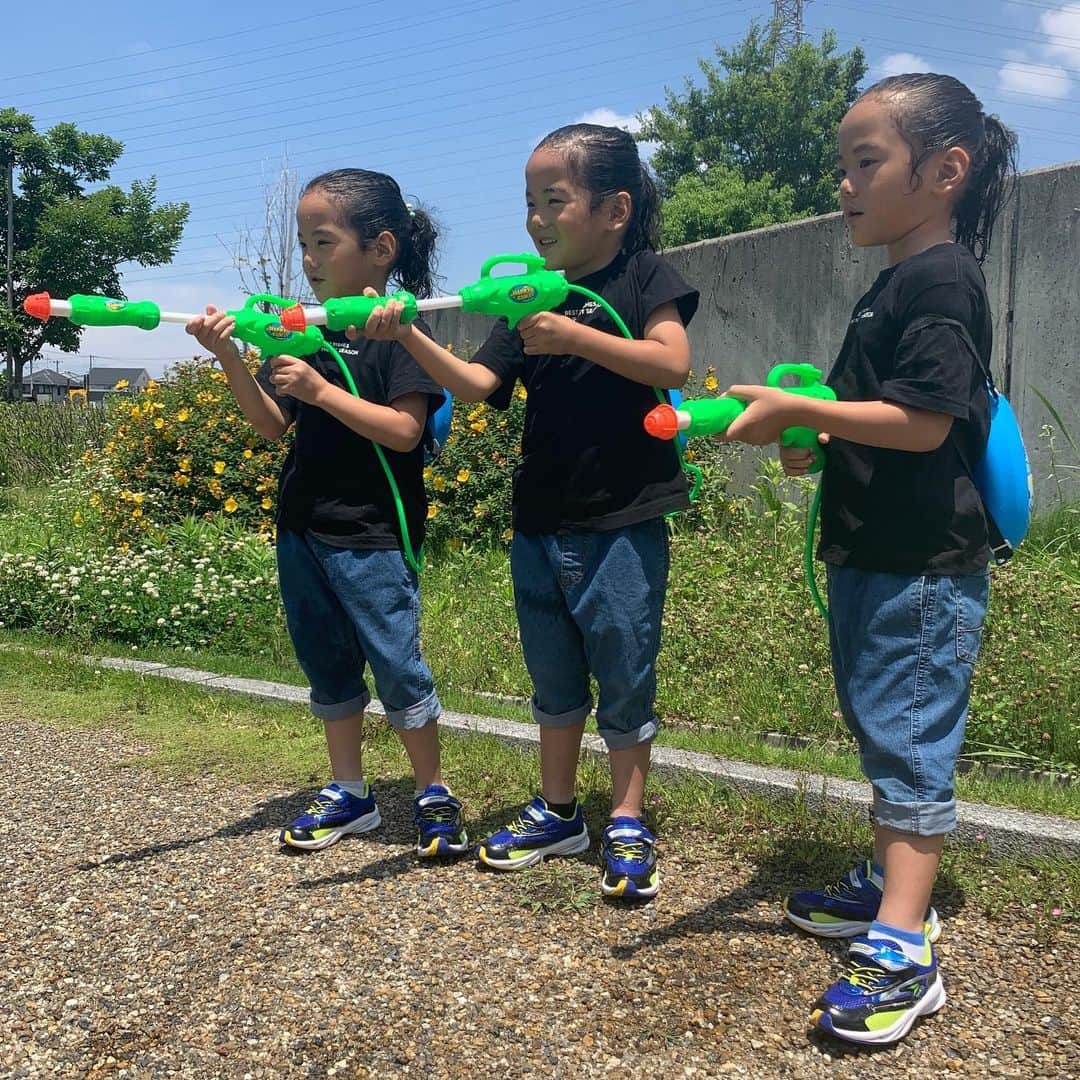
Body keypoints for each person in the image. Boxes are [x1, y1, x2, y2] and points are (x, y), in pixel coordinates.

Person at [719, 74, 1017, 1045]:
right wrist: (802, 434)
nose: (844, 184)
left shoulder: (941, 282)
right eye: (841, 166)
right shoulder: (888, 287)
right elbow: (861, 430)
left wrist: (804, 409)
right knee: (883, 721)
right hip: (873, 555)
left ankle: (905, 945)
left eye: (865, 163)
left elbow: (926, 425)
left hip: (923, 566)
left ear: (945, 172)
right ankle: (894, 878)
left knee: (910, 736)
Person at [360, 123, 698, 899]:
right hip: (541, 514)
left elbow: (672, 361)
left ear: (615, 209)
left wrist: (574, 336)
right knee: (551, 675)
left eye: (555, 200)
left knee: (623, 669)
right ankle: (557, 810)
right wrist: (410, 329)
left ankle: (626, 817)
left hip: (621, 517)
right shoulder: (523, 302)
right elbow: (476, 386)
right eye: (529, 203)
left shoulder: (646, 276)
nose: (537, 218)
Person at [186, 168, 469, 859]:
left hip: (373, 532)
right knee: (328, 667)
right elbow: (271, 426)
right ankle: (351, 792)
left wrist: (320, 387)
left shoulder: (399, 332)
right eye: (303, 244)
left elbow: (405, 432)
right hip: (303, 528)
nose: (308, 261)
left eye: (323, 242)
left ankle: (432, 789)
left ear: (380, 249)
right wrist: (230, 355)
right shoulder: (297, 331)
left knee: (397, 664)